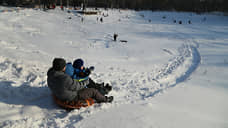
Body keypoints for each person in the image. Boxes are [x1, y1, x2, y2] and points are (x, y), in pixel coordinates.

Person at [47, 58, 113, 103]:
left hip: (59, 94)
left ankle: (100, 88)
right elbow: (77, 86)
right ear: (62, 68)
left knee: (87, 84)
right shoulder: (64, 78)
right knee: (93, 91)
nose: (66, 67)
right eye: (65, 66)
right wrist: (86, 81)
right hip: (72, 96)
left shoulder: (50, 74)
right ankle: (106, 99)